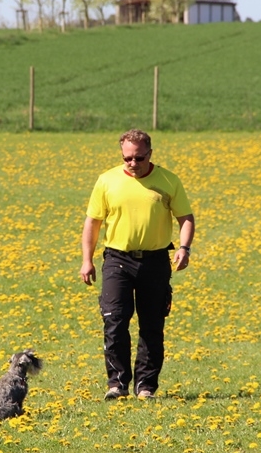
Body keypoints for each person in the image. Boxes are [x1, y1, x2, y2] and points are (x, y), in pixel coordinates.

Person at [80, 129, 195, 400]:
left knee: (152, 325)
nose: (133, 164)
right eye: (127, 158)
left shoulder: (168, 180)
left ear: (150, 154)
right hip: (117, 260)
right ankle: (116, 385)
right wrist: (87, 260)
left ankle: (146, 387)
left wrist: (184, 248)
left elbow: (186, 217)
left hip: (155, 262)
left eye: (139, 158)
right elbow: (93, 222)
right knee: (114, 322)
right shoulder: (107, 180)